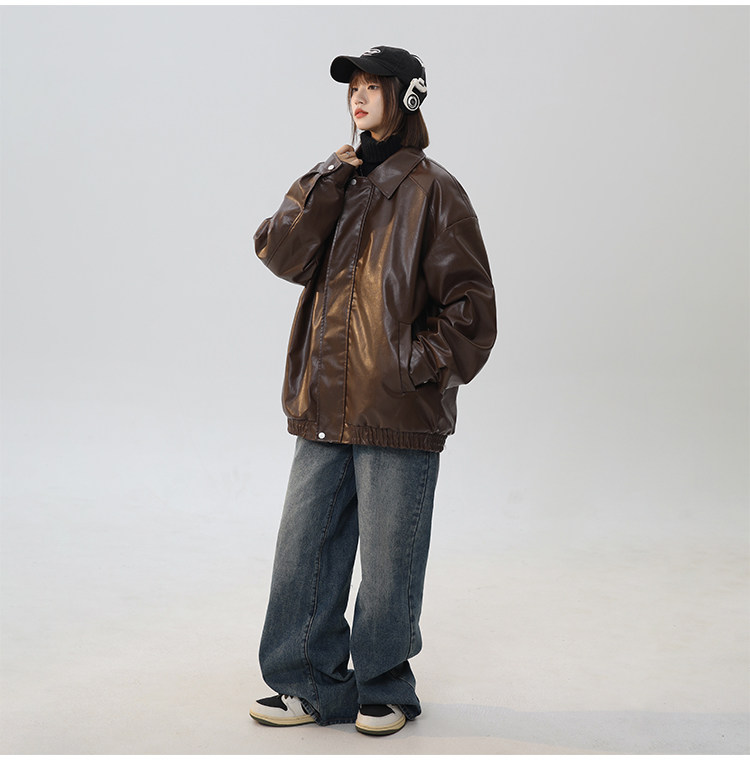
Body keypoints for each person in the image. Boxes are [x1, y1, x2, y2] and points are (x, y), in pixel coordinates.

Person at [249, 45, 496, 736]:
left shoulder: (435, 191)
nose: (357, 97)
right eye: (351, 87)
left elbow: (473, 312)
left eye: (371, 86)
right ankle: (308, 684)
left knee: (390, 563)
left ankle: (384, 685)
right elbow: (278, 252)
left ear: (408, 96)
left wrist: (413, 367)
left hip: (398, 407)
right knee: (304, 550)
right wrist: (327, 175)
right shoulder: (341, 183)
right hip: (324, 404)